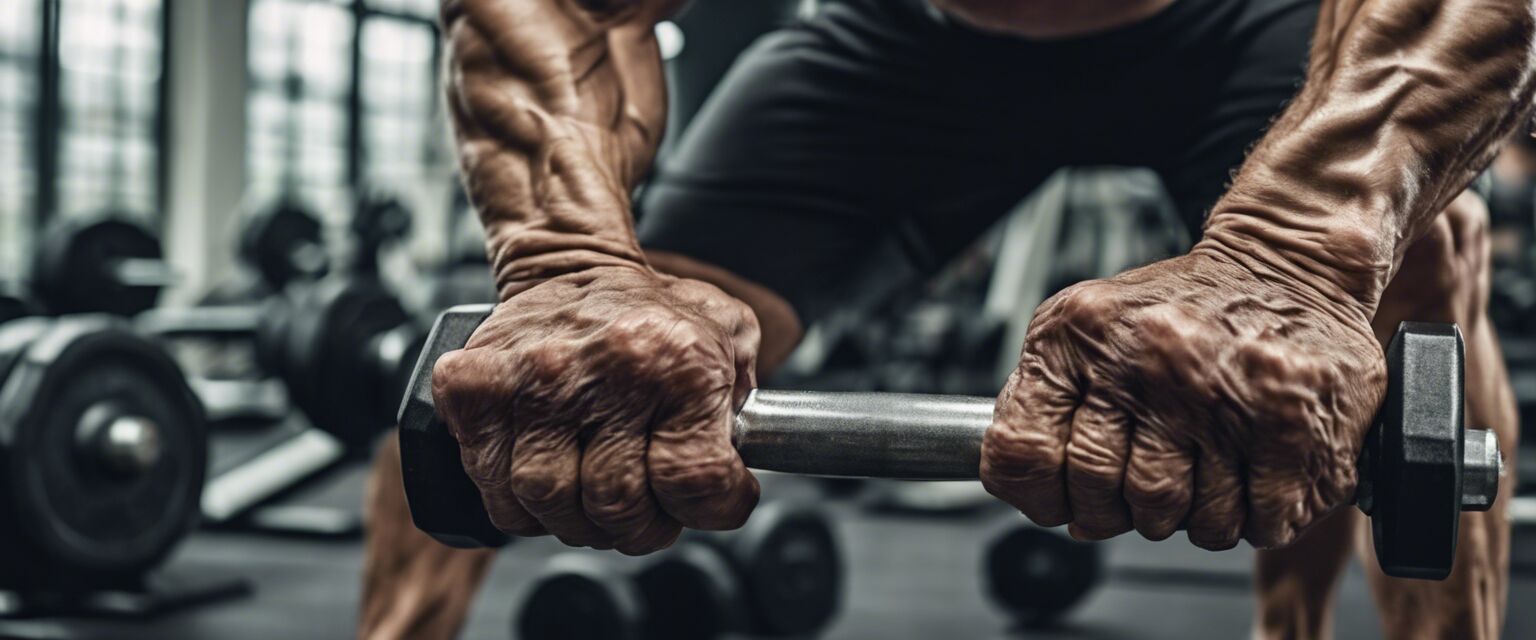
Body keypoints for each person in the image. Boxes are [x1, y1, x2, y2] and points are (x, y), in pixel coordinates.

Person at [359, 0, 1532, 637]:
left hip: (1243, 23)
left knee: (1416, 276)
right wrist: (569, 266)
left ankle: (1302, 622)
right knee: (514, 368)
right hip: (911, 41)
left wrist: (1292, 255)